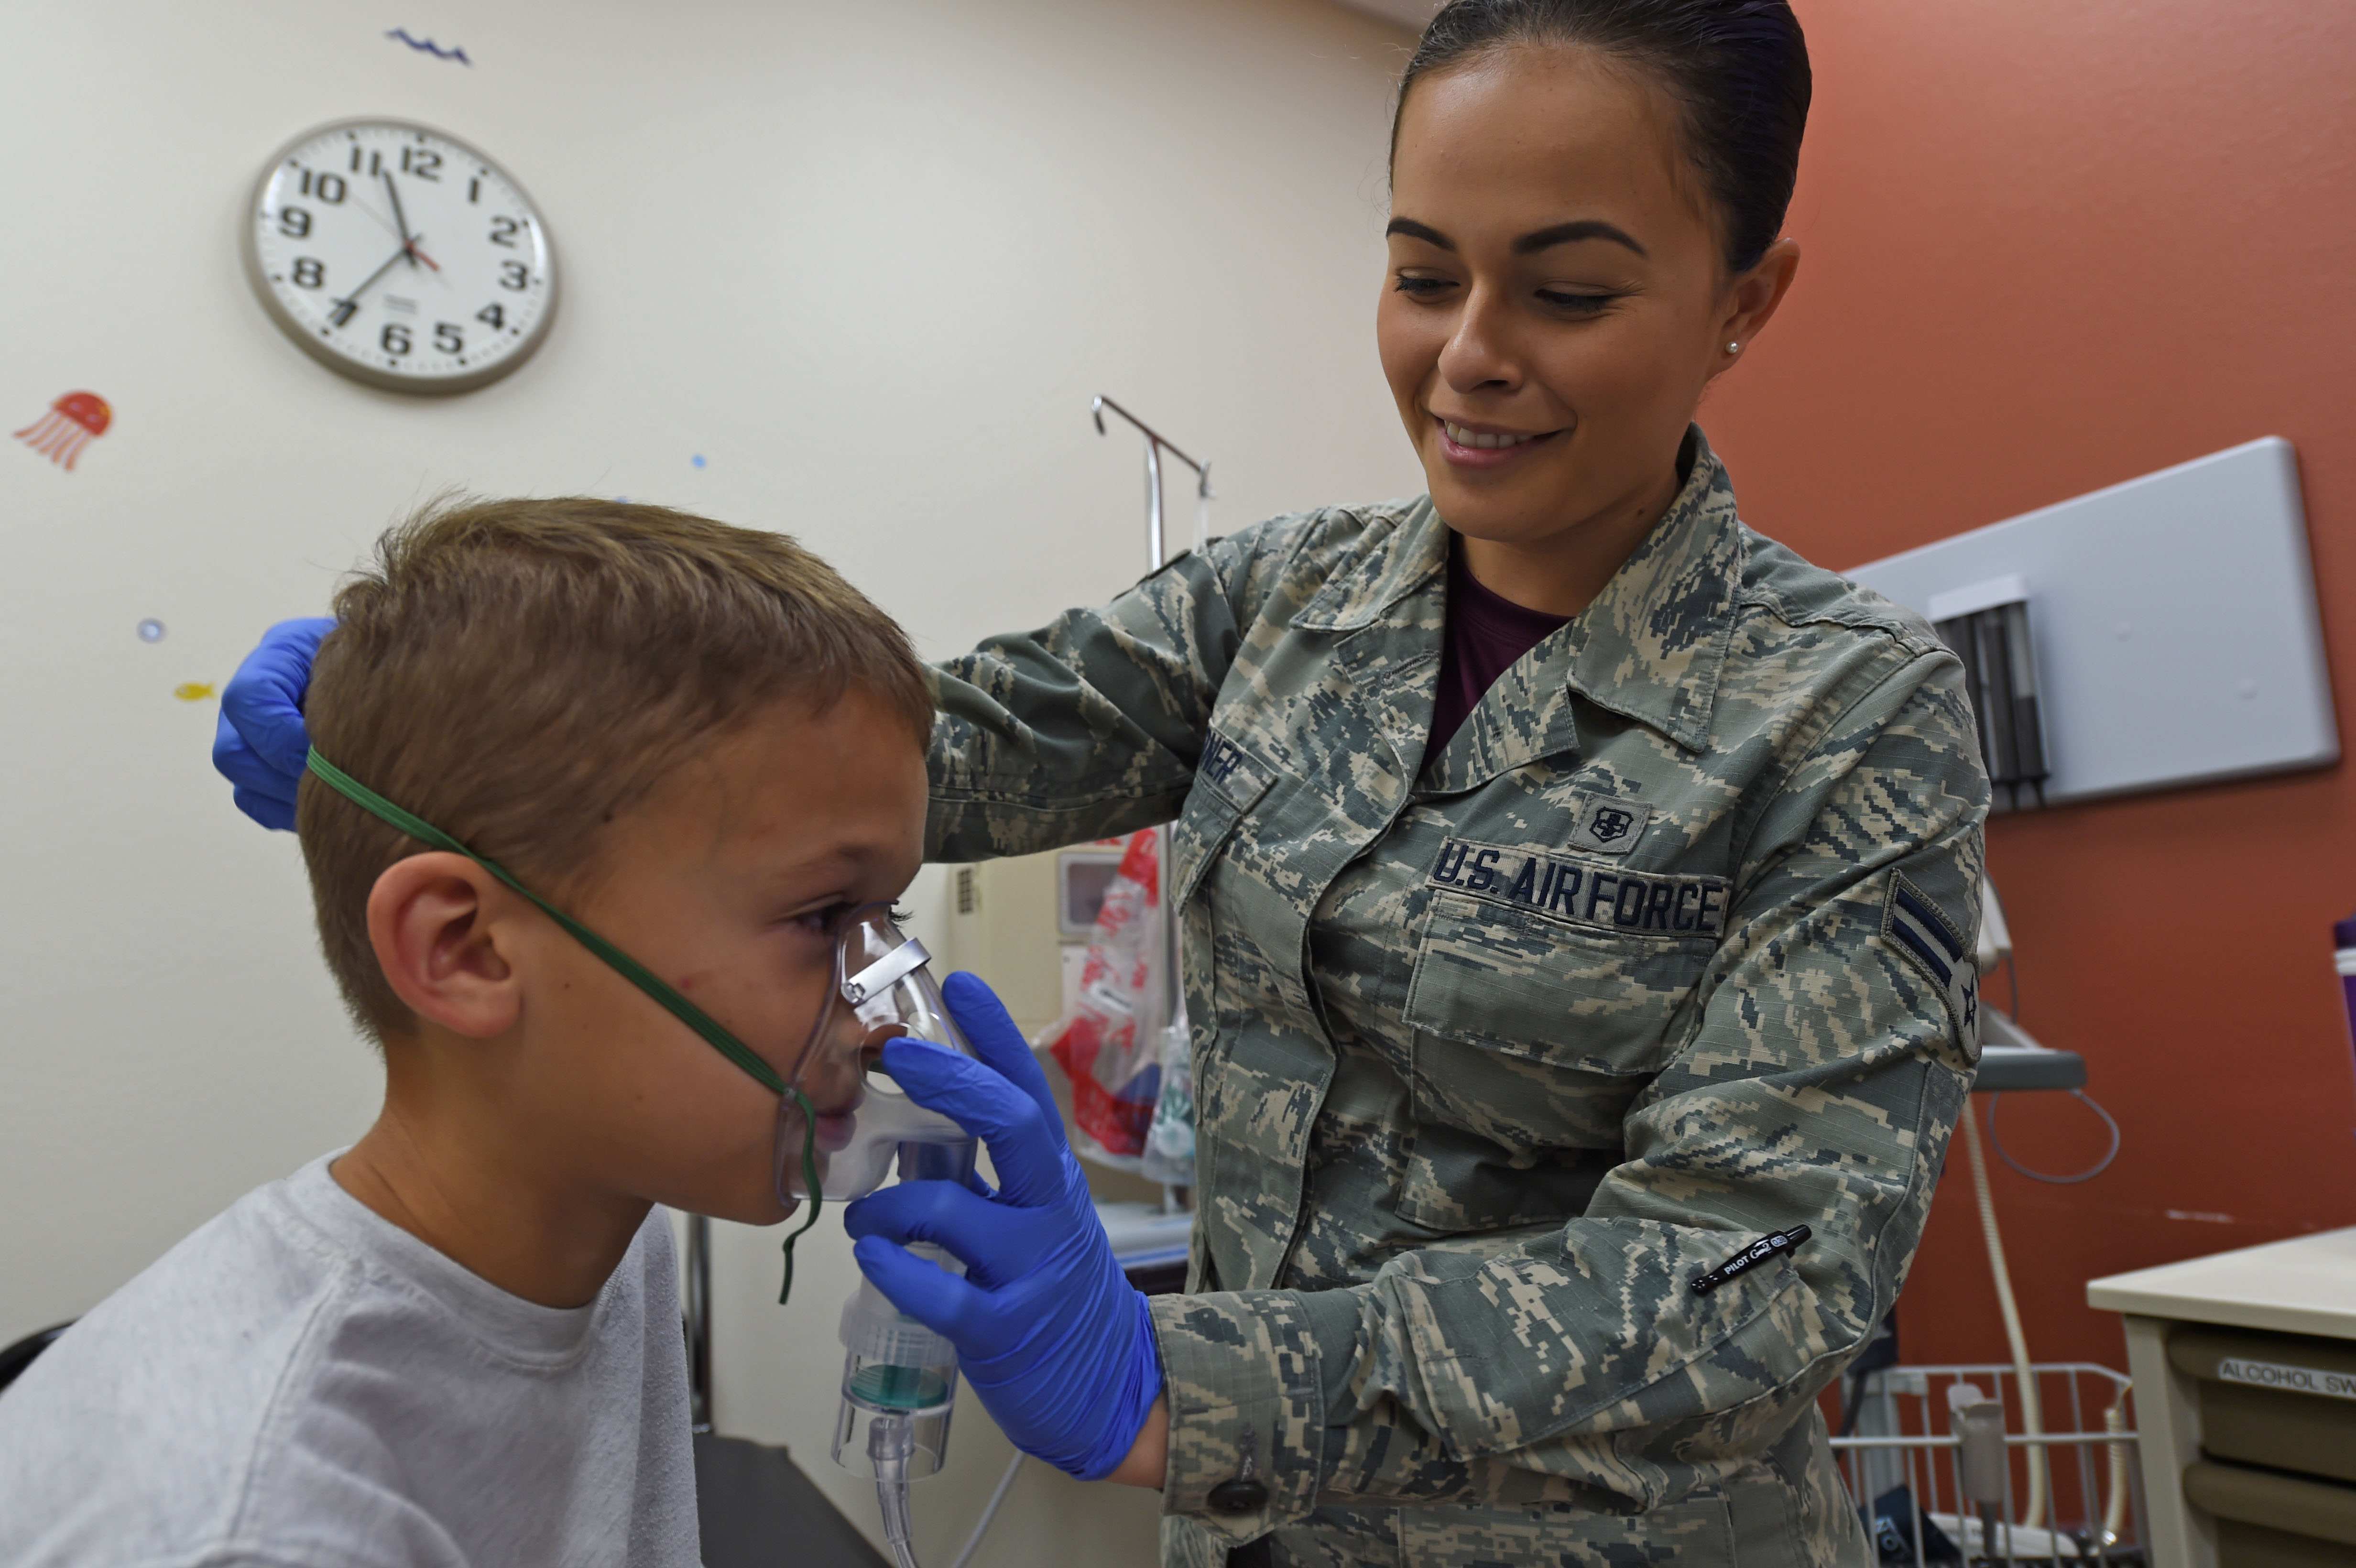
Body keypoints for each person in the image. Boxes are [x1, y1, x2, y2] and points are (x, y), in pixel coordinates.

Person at [209, 2, 1990, 1563]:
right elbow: (917, 750)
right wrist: (481, 722)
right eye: (1419, 272)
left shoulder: (1841, 712)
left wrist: (1170, 1382)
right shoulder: (1284, 601)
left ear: (1742, 301)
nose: (1465, 358)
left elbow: (1752, 1265)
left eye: (1570, 291)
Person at [0, 499, 946, 1566]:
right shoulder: (263, 1525)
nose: (882, 1014)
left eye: (888, 920)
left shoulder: (602, 1228)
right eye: (824, 916)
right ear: (465, 950)